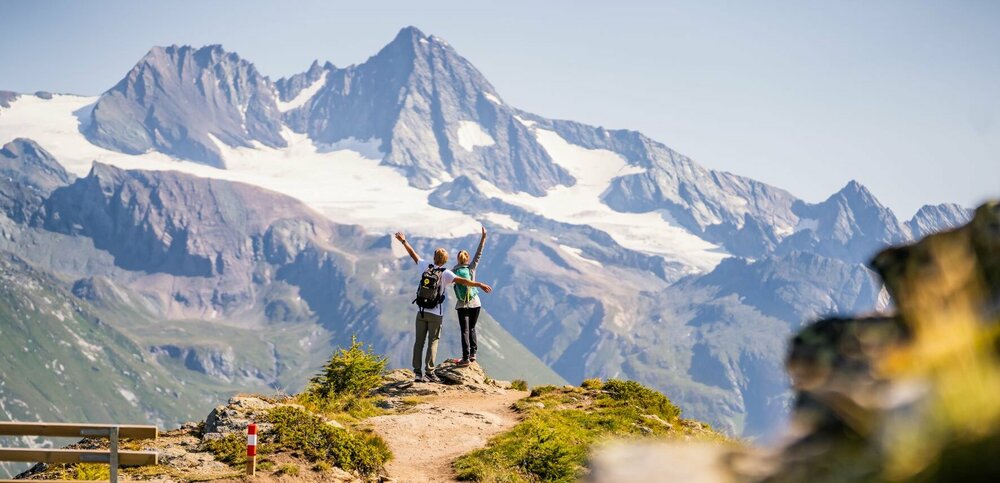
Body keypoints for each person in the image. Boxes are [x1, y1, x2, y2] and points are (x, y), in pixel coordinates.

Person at [394, 231, 493, 383]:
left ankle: (417, 374)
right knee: (432, 342)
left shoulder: (425, 267)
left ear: (434, 258)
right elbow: (464, 282)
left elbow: (413, 254)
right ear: (446, 260)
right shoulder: (446, 273)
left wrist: (404, 241)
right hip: (436, 313)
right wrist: (479, 284)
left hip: (421, 312)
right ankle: (429, 372)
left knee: (418, 343)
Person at [452, 226, 488, 367]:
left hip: (462, 305)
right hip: (475, 303)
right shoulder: (471, 268)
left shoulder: (453, 272)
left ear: (457, 259)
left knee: (465, 330)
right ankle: (473, 354)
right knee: (472, 328)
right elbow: (479, 253)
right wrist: (484, 237)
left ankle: (465, 358)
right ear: (467, 259)